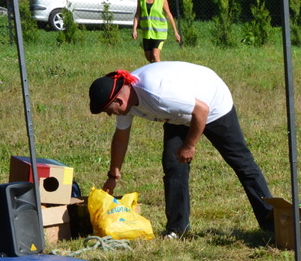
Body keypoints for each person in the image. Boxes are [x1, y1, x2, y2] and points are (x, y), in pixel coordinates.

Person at [89, 62, 272, 239]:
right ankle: (177, 229)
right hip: (178, 114)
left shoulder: (158, 94)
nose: (110, 114)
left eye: (108, 110)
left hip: (212, 103)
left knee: (241, 162)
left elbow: (201, 110)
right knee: (173, 165)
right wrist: (113, 175)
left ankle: (272, 223)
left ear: (118, 100)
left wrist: (189, 145)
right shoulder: (125, 101)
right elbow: (121, 137)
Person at [132, 0, 181, 64]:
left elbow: (169, 14)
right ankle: (157, 69)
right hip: (147, 33)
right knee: (149, 57)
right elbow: (138, 14)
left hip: (159, 32)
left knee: (155, 55)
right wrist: (134, 29)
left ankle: (162, 71)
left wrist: (175, 32)